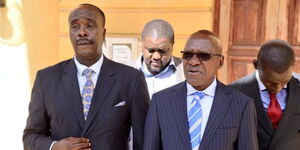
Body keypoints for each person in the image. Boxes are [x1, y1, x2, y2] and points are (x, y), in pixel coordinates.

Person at [23, 4, 149, 150]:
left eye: (90, 25)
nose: (82, 32)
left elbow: (145, 140)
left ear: (103, 32)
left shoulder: (131, 79)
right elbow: (31, 136)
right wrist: (54, 146)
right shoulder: (46, 79)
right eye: (75, 27)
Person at [143, 30, 258, 150]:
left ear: (220, 62)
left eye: (203, 56)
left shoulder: (241, 105)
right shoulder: (161, 101)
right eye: (187, 55)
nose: (193, 62)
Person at [229, 39, 300, 150]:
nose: (277, 89)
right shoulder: (234, 92)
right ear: (256, 64)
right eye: (270, 82)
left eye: (284, 82)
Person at [138, 19, 185, 97]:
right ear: (142, 45)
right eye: (151, 50)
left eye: (162, 51)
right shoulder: (125, 72)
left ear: (172, 45)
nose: (156, 57)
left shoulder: (185, 71)